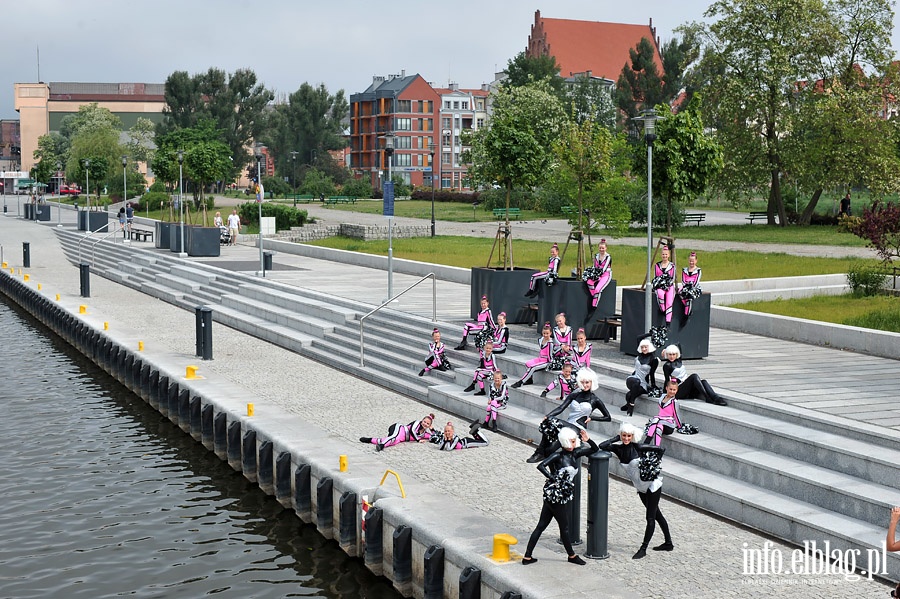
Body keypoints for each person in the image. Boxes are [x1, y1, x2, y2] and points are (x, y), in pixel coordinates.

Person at [521, 427, 596, 566]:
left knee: (541, 526)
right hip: (556, 495)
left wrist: (588, 439)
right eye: (571, 441)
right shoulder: (558, 456)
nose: (574, 444)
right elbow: (541, 466)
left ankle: (527, 556)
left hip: (556, 496)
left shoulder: (576, 454)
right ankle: (572, 555)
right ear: (565, 441)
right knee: (564, 527)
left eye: (575, 441)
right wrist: (553, 478)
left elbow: (594, 449)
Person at [598, 422, 673, 559]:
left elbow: (660, 449)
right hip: (640, 488)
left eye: (628, 436)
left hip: (652, 485)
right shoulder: (618, 449)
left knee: (650, 518)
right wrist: (616, 438)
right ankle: (668, 543)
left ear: (633, 436)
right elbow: (602, 446)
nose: (626, 438)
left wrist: (652, 465)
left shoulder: (638, 447)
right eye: (624, 435)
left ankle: (643, 548)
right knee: (657, 515)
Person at [527, 368, 611, 463]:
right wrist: (548, 415)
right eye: (582, 382)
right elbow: (561, 408)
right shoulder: (574, 395)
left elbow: (608, 417)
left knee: (551, 421)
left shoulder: (595, 400)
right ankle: (543, 458)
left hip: (578, 430)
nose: (585, 385)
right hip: (568, 425)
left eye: (587, 382)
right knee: (549, 449)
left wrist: (592, 418)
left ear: (592, 382)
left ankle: (539, 453)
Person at [661, 344, 727, 406]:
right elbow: (667, 380)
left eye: (673, 354)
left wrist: (665, 348)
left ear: (676, 354)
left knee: (703, 381)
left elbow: (678, 344)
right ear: (667, 355)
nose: (672, 356)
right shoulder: (667, 365)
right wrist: (665, 394)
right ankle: (707, 398)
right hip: (678, 390)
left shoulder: (679, 361)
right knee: (694, 376)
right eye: (669, 354)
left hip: (686, 387)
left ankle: (716, 398)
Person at [623, 335, 659, 416]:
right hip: (633, 378)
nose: (644, 349)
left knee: (629, 394)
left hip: (643, 383)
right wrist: (649, 334)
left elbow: (652, 374)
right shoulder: (639, 355)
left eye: (645, 347)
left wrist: (653, 385)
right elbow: (638, 338)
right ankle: (631, 404)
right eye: (642, 347)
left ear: (649, 347)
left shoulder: (654, 359)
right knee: (635, 381)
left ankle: (628, 403)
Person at [359, 413, 436, 451]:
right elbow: (412, 430)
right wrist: (418, 440)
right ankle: (381, 446)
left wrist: (432, 430)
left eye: (428, 423)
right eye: (424, 421)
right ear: (422, 420)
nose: (425, 424)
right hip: (399, 428)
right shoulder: (416, 423)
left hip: (401, 438)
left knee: (393, 441)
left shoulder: (424, 434)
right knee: (393, 437)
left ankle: (370, 440)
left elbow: (433, 436)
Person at [644, 378, 686, 446]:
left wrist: (680, 426)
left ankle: (647, 441)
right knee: (659, 426)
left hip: (669, 425)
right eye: (670, 389)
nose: (672, 391)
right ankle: (656, 447)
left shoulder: (674, 402)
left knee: (656, 419)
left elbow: (676, 414)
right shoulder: (662, 396)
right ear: (666, 388)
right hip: (660, 422)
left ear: (677, 390)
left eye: (674, 390)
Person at [511, 323, 554, 388]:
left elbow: (550, 355)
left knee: (532, 367)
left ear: (550, 333)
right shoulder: (541, 340)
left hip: (546, 361)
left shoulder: (550, 343)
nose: (545, 335)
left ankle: (520, 382)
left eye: (547, 333)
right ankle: (529, 379)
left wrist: (550, 364)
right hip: (540, 359)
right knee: (527, 364)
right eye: (544, 333)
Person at [583, 239, 612, 312]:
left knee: (598, 289)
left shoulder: (608, 257)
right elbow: (594, 266)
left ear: (606, 248)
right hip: (597, 273)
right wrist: (592, 273)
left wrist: (598, 273)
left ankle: (594, 305)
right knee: (589, 282)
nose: (601, 249)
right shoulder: (596, 256)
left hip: (605, 274)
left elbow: (604, 268)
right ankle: (594, 296)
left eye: (603, 248)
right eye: (600, 248)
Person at [652, 243, 676, 325]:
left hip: (669, 286)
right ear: (661, 255)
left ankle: (668, 321)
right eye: (663, 254)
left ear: (668, 255)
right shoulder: (657, 265)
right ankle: (663, 310)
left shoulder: (672, 266)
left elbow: (672, 278)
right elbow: (655, 276)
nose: (664, 256)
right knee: (660, 294)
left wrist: (667, 284)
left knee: (669, 302)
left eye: (666, 254)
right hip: (660, 287)